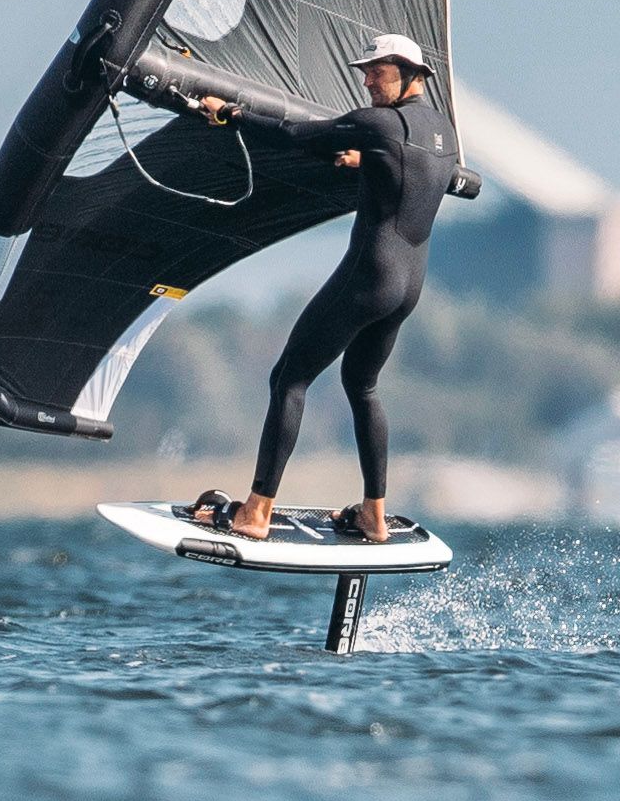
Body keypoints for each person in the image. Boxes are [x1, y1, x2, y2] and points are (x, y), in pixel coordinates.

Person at [176, 34, 456, 544]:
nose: (367, 80)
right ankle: (374, 515)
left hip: (370, 274)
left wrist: (230, 115)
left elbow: (294, 134)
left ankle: (256, 511)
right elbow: (412, 174)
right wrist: (365, 161)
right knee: (362, 385)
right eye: (366, 71)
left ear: (412, 74)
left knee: (289, 378)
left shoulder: (377, 124)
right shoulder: (443, 132)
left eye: (378, 71)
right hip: (409, 286)